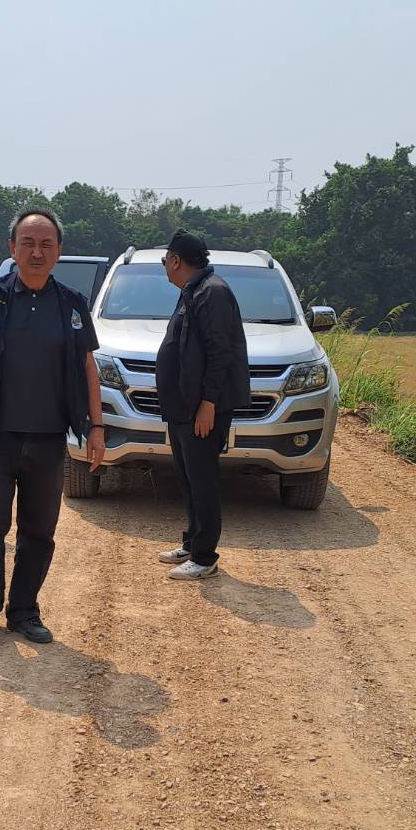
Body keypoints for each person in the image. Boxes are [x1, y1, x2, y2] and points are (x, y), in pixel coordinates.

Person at [0, 210, 105, 644]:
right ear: (12, 248)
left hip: (49, 437)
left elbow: (87, 367)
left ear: (58, 251)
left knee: (39, 529)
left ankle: (24, 610)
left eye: (46, 244)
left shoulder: (72, 303)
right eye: (28, 243)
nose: (37, 251)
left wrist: (97, 427)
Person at [153, 229, 250, 580]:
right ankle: (192, 543)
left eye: (165, 260)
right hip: (184, 406)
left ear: (176, 260)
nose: (165, 266)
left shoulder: (213, 293)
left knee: (203, 479)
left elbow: (219, 353)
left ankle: (205, 556)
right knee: (188, 478)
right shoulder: (192, 291)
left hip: (202, 408)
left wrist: (208, 402)